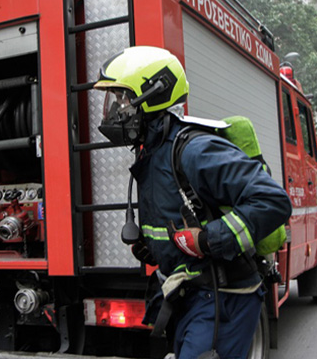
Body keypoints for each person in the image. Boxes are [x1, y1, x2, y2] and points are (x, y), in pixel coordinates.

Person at [94, 46, 292, 359]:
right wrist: (157, 246)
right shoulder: (153, 153)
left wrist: (208, 240)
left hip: (223, 298)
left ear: (154, 95)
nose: (116, 111)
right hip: (189, 294)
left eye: (123, 100)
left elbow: (272, 201)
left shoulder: (195, 150)